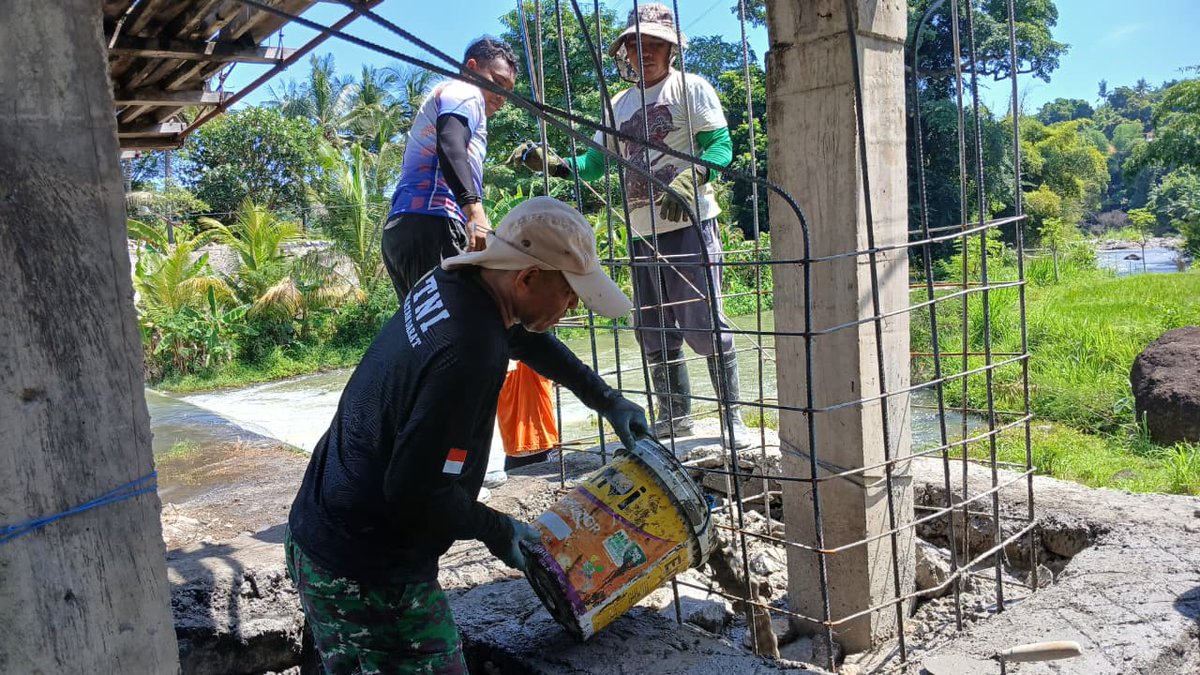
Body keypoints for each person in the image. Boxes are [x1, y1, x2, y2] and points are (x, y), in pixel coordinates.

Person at [285, 196, 650, 673]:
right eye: (570, 293)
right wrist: (497, 530)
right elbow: (414, 490)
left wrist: (606, 399)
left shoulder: (455, 285)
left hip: (322, 529)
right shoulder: (472, 352)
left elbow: (527, 338)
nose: (573, 306)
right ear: (527, 278)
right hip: (368, 572)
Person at [507, 3, 753, 449]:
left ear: (671, 50)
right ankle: (674, 417)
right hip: (642, 232)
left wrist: (693, 175)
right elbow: (597, 163)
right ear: (626, 53)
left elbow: (720, 145)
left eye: (656, 45)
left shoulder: (689, 88)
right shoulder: (617, 104)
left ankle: (731, 416)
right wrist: (559, 166)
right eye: (637, 45)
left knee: (703, 321)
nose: (646, 53)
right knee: (654, 327)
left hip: (689, 226)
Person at [382, 36, 518, 301]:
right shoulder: (467, 91)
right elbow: (450, 143)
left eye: (508, 92)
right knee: (462, 324)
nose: (502, 97)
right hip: (433, 222)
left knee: (427, 331)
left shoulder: (454, 96)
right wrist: (474, 212)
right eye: (498, 83)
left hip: (408, 223)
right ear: (471, 67)